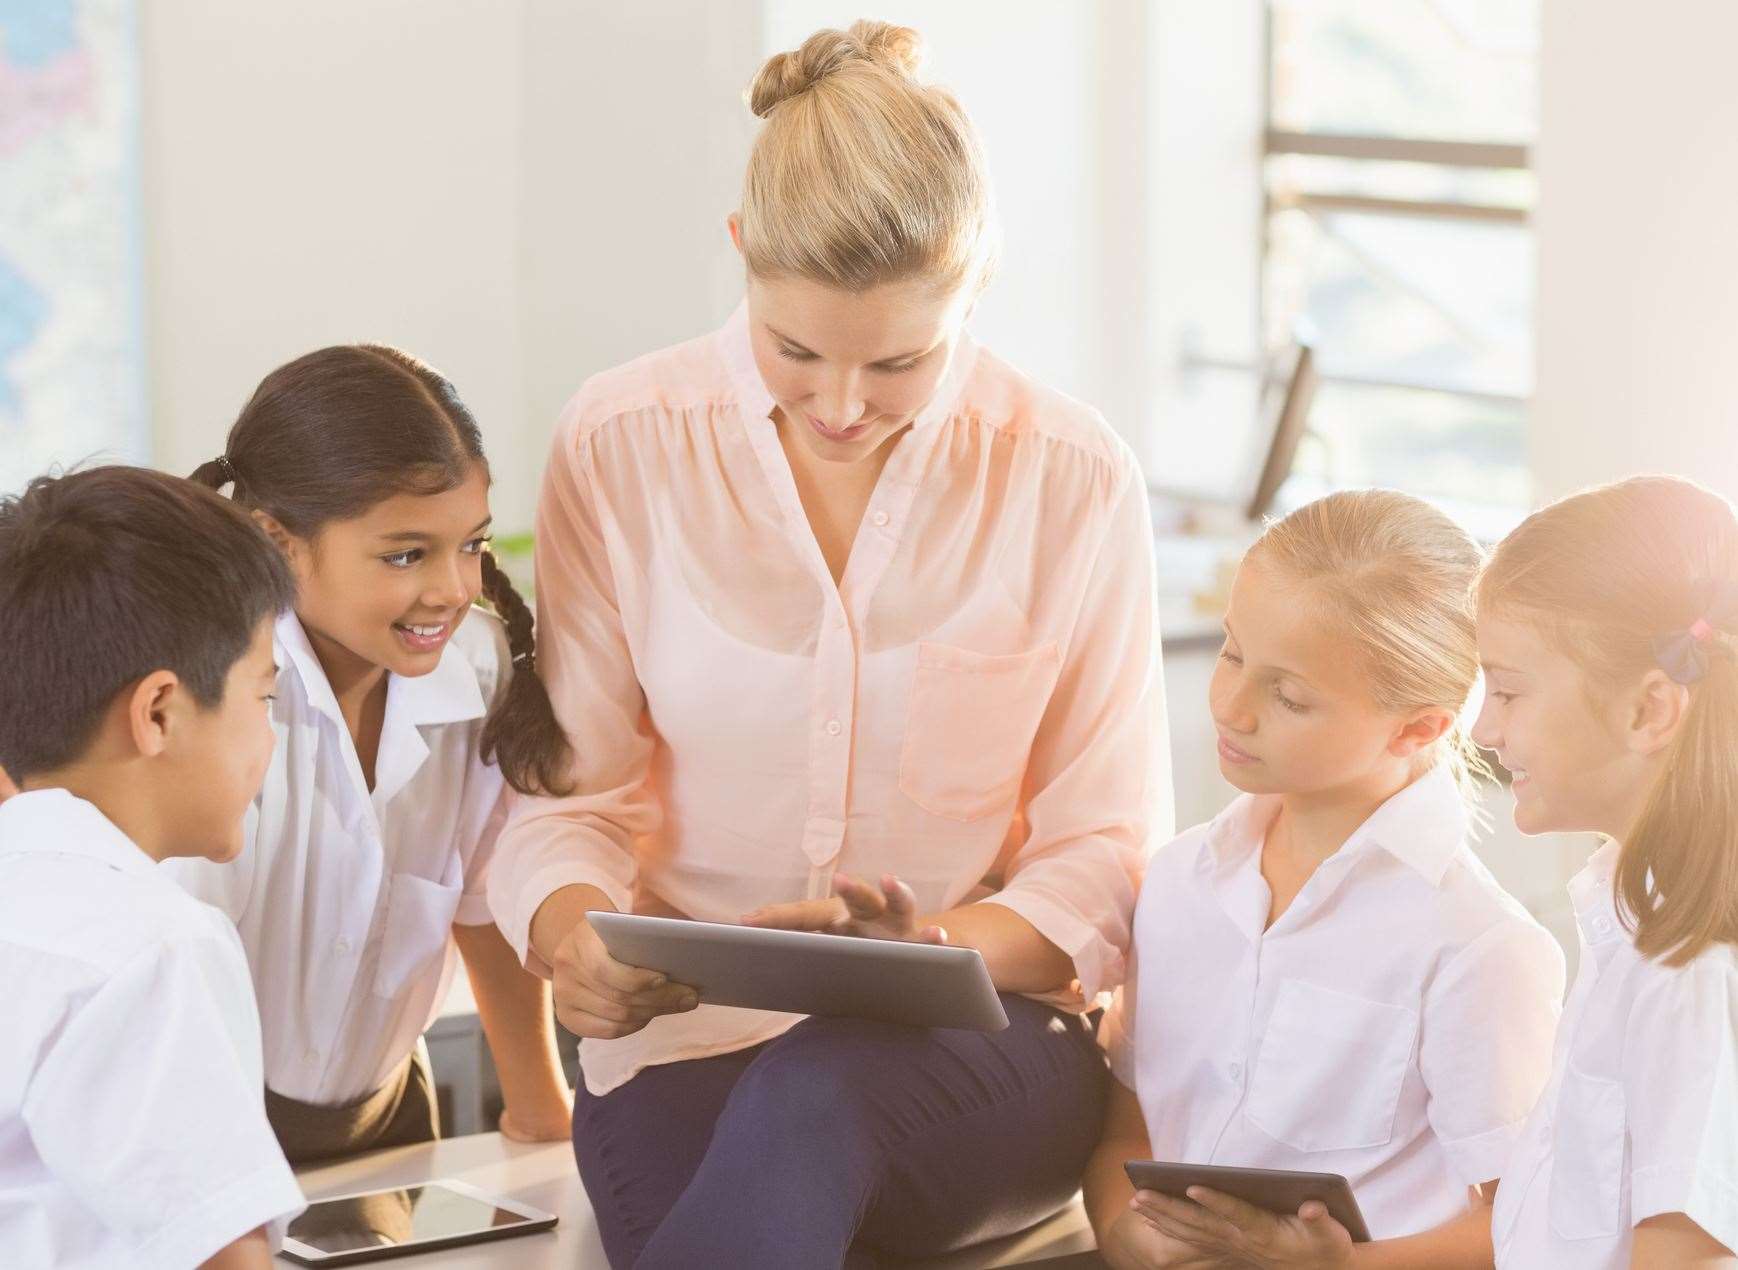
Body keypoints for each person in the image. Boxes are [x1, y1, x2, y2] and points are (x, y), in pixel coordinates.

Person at [487, 19, 1169, 1268]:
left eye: (901, 361)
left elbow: (1109, 852)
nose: (843, 407)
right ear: (742, 252)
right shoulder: (619, 444)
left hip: (982, 1055)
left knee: (815, 1097)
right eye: (794, 350)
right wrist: (575, 937)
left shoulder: (1069, 477)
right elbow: (564, 803)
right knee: (744, 1190)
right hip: (678, 1054)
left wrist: (931, 952)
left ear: (978, 282)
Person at [1088, 490, 1565, 1269]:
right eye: (1233, 652)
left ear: (1418, 727)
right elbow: (1126, 1131)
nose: (1231, 708)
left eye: (1289, 696)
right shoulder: (1177, 883)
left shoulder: (1479, 947)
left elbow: (1529, 1225)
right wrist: (1121, 1234)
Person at [166, 344, 573, 1164]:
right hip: (204, 1134)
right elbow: (169, 984)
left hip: (386, 1122)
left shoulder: (481, 668)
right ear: (276, 542)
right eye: (405, 554)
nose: (454, 588)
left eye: (470, 544)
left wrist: (541, 1111)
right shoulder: (205, 694)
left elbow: (481, 904)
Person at [0, 466, 305, 1268]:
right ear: (159, 711)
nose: (269, 740)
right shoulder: (150, 946)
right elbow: (218, 1251)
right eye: (262, 699)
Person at [1476, 476, 1738, 1268]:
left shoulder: (1686, 970)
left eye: (1509, 691)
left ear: (1649, 711)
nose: (1484, 729)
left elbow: (1686, 1256)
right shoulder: (1630, 931)